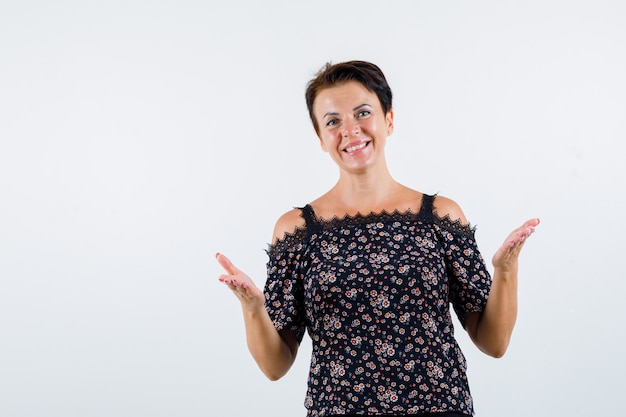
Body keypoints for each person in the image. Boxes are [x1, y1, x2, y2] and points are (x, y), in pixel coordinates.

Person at [216, 60, 539, 417]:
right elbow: (275, 366)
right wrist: (252, 309)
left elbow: (494, 342)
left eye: (363, 113)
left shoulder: (440, 216)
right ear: (321, 139)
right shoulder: (297, 231)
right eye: (333, 121)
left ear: (389, 120)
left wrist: (506, 270)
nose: (350, 130)